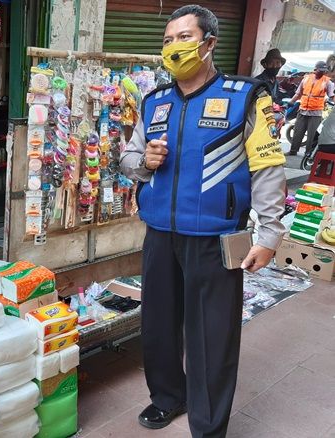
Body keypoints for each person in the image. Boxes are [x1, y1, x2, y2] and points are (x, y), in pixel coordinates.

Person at [120, 5, 286, 437]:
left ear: (209, 43)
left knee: (212, 336)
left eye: (184, 37)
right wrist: (143, 161)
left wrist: (269, 233)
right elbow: (128, 158)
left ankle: (208, 425)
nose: (174, 47)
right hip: (160, 234)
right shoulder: (155, 101)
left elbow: (267, 168)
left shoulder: (246, 97)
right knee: (158, 325)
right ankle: (167, 398)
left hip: (216, 237)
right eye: (168, 39)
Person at [287, 61, 334, 156]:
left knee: (312, 135)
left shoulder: (327, 81)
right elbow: (298, 93)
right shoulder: (306, 78)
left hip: (316, 112)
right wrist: (291, 102)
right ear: (315, 70)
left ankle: (308, 153)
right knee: (298, 131)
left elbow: (332, 96)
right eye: (320, 70)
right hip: (303, 109)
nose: (322, 72)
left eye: (324, 71)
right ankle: (293, 151)